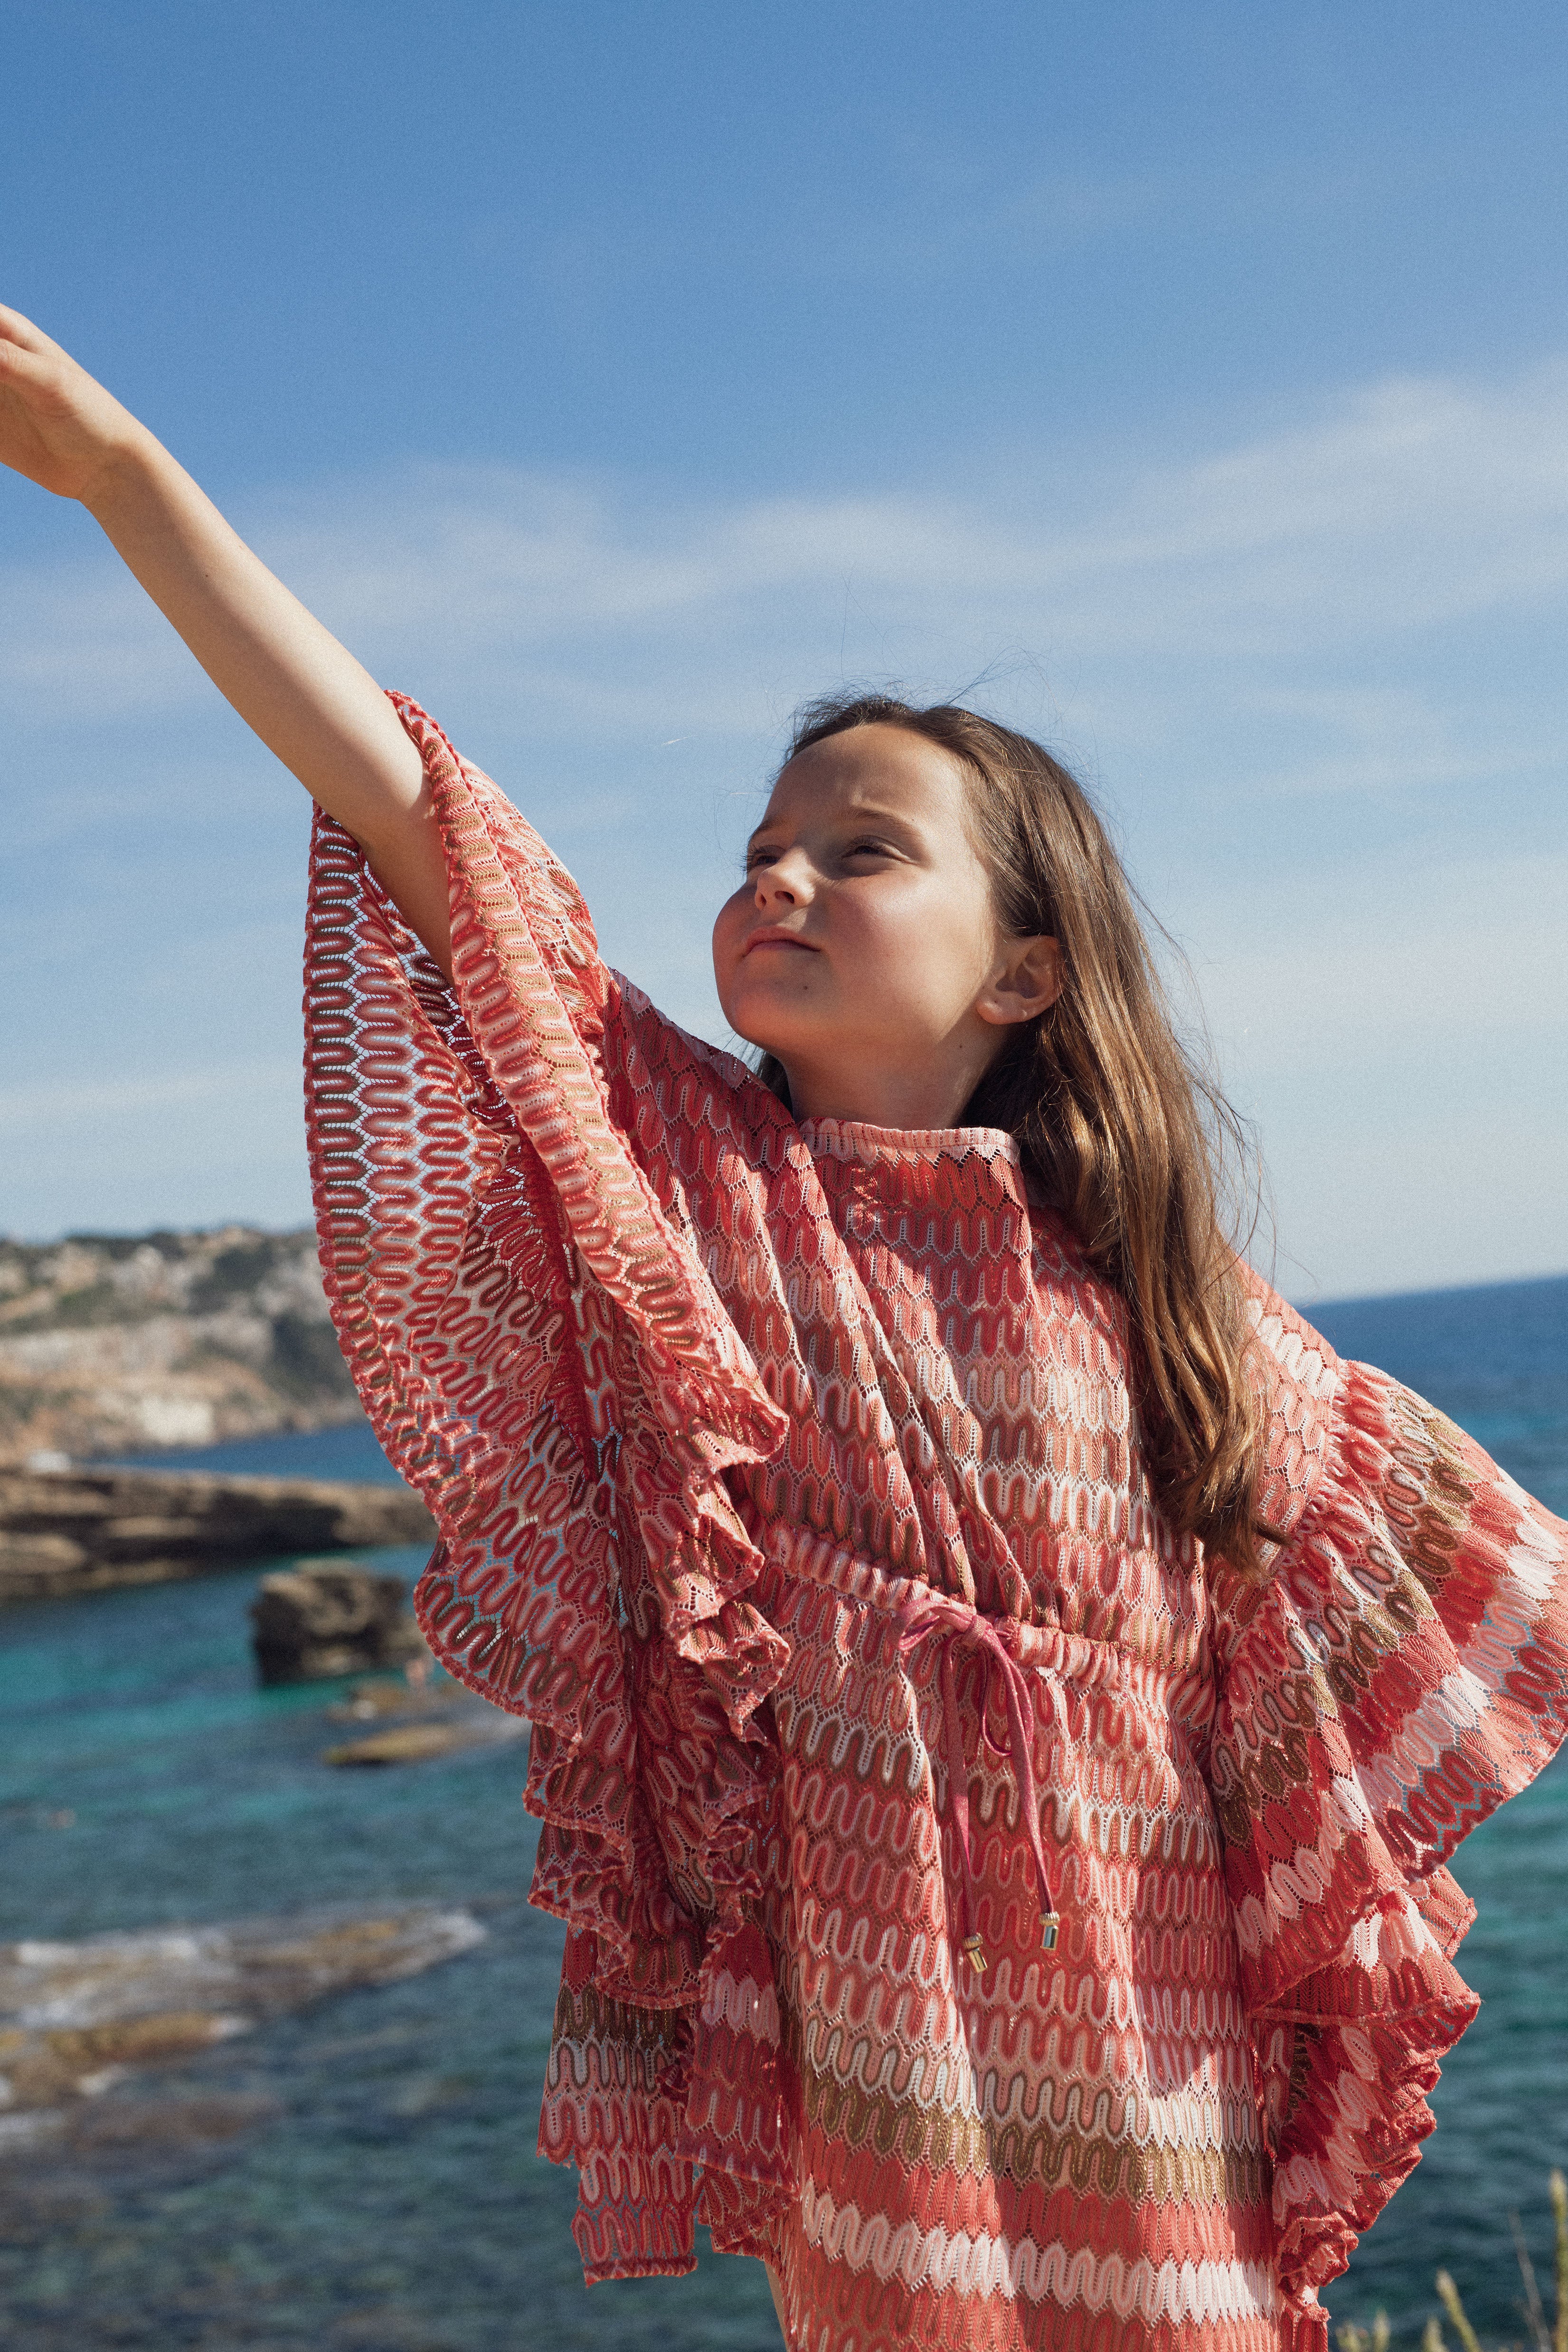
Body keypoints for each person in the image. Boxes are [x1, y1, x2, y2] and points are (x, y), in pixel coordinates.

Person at [2, 304, 1565, 2352]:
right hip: (871, 2049)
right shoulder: (690, 1171)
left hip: (1155, 2042)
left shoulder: (1172, 1298)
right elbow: (416, 815)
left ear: (1024, 971)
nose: (783, 879)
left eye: (860, 850)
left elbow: (1492, 1592)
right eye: (759, 853)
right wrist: (123, 477)